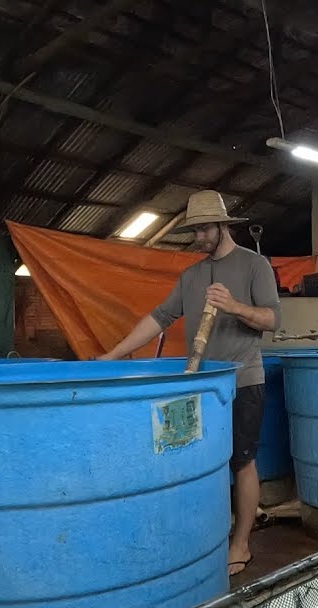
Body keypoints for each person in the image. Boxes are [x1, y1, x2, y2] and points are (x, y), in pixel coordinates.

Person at [99, 190, 280, 575]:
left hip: (243, 380)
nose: (198, 238)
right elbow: (160, 317)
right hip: (201, 384)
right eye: (194, 231)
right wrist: (113, 355)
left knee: (242, 461)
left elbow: (271, 319)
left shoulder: (254, 265)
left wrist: (233, 306)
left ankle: (242, 543)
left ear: (222, 226)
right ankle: (211, 531)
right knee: (204, 462)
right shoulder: (191, 275)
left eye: (203, 230)